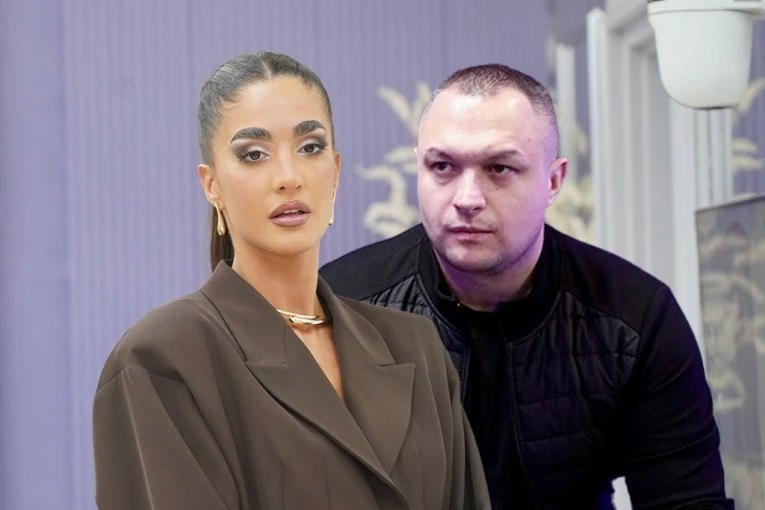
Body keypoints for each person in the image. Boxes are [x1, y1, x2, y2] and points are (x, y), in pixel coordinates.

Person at [320, 64, 733, 509]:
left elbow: (688, 503)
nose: (467, 199)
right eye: (442, 167)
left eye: (499, 168)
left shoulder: (635, 319)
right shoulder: (339, 309)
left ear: (553, 181)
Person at [92, 52, 491, 510]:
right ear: (211, 185)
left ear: (335, 171)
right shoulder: (160, 358)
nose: (288, 177)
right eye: (254, 155)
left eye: (310, 147)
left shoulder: (415, 346)